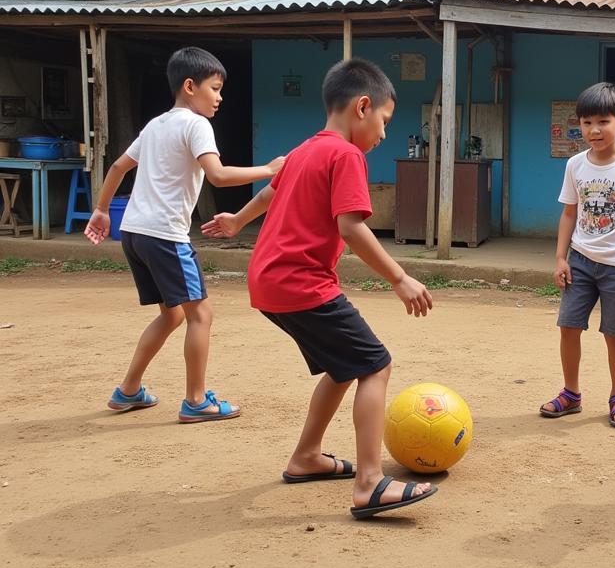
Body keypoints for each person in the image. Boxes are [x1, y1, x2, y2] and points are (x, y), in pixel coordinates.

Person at [201, 58, 438, 519]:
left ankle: (307, 457)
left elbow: (271, 192)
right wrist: (399, 277)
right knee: (375, 365)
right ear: (363, 106)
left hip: (269, 279)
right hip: (300, 281)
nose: (384, 135)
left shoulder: (306, 149)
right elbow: (351, 227)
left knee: (342, 366)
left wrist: (238, 219)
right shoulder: (346, 154)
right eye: (385, 123)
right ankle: (370, 483)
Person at [85, 46, 284, 422]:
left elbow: (116, 166)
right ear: (190, 86)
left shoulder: (156, 125)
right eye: (215, 88)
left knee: (173, 315)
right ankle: (196, 401)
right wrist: (269, 169)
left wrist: (101, 210)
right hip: (165, 236)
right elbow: (219, 175)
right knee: (201, 314)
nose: (220, 97)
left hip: (134, 233)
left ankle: (128, 391)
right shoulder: (196, 125)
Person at [539, 81, 615, 428]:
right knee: (568, 328)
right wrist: (560, 258)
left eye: (603, 121)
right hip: (580, 261)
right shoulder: (575, 165)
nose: (594, 130)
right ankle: (571, 394)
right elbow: (569, 213)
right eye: (586, 122)